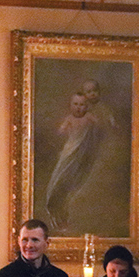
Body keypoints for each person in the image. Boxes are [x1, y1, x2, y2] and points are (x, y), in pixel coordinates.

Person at [44, 92, 101, 233]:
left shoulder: (89, 118)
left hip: (81, 154)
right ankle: (56, 210)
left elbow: (100, 125)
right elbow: (60, 132)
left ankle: (67, 215)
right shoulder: (70, 119)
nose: (78, 108)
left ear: (87, 107)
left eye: (82, 105)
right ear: (70, 105)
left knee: (75, 182)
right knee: (60, 178)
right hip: (69, 153)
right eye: (75, 104)